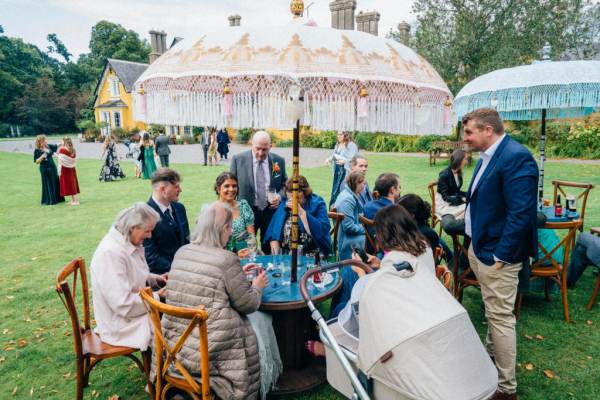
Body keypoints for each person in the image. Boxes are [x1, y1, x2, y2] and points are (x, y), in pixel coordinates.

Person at [161, 202, 281, 400]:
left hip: (178, 345)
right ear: (224, 228)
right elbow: (248, 304)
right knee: (262, 318)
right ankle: (268, 378)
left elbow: (203, 280)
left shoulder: (182, 251)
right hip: (212, 348)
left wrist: (236, 274)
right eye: (230, 227)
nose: (231, 232)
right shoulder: (226, 259)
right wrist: (258, 286)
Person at [462, 108, 538, 400]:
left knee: (501, 317)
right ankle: (489, 357)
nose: (465, 138)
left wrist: (501, 257)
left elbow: (521, 214)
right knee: (492, 312)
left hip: (497, 256)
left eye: (469, 132)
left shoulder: (516, 157)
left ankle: (507, 389)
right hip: (479, 248)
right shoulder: (489, 156)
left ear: (487, 131)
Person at [90, 202, 167, 350]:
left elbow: (131, 275)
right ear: (132, 228)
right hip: (120, 324)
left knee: (175, 317)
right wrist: (158, 297)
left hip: (131, 314)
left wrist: (155, 279)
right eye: (147, 231)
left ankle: (167, 364)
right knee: (173, 324)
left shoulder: (127, 241)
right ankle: (165, 367)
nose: (150, 236)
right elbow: (122, 304)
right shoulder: (110, 254)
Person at [230, 130, 287, 254]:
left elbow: (285, 184)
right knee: (246, 250)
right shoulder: (238, 160)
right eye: (258, 148)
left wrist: (279, 196)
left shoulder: (278, 161)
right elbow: (231, 187)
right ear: (251, 144)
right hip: (247, 213)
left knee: (270, 249)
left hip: (271, 213)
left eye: (265, 149)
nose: (261, 153)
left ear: (270, 147)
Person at [263, 175, 331, 258]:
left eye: (297, 198)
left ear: (305, 192)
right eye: (290, 197)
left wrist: (301, 211)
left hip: (312, 255)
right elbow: (273, 235)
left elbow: (321, 232)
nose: (292, 200)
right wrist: (276, 258)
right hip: (285, 257)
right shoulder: (284, 204)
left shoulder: (317, 203)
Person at [330, 171, 367, 318]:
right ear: (354, 183)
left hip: (352, 241)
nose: (364, 185)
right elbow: (348, 227)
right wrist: (363, 229)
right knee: (351, 273)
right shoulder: (347, 199)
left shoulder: (351, 195)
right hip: (349, 243)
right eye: (362, 182)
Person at [144, 168, 190, 274]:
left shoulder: (180, 208)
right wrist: (178, 270)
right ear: (163, 189)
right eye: (176, 187)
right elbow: (151, 258)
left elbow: (186, 241)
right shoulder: (146, 214)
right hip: (162, 279)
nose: (180, 190)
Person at [214, 171, 258, 254]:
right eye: (226, 186)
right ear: (218, 189)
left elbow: (251, 236)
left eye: (234, 186)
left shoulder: (243, 205)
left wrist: (250, 252)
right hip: (221, 255)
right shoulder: (212, 210)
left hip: (245, 253)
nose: (231, 189)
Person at [437, 149, 468, 236]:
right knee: (468, 206)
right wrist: (462, 199)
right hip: (443, 202)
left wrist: (469, 194)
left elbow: (456, 191)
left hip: (453, 197)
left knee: (471, 203)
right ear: (459, 160)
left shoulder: (458, 173)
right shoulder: (444, 175)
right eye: (465, 159)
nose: (467, 161)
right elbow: (445, 197)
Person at [326, 132, 358, 207]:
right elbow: (335, 155)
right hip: (338, 172)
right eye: (337, 134)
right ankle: (333, 211)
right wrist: (329, 159)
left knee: (343, 190)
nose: (338, 136)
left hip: (346, 172)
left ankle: (342, 210)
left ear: (346, 134)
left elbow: (354, 160)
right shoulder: (338, 145)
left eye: (341, 134)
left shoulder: (351, 145)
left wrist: (345, 162)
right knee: (335, 191)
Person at [33, 134, 64, 205]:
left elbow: (56, 145)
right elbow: (36, 161)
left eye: (45, 140)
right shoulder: (37, 150)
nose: (45, 141)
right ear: (39, 142)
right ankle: (50, 200)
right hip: (44, 169)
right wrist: (41, 157)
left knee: (55, 181)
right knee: (47, 183)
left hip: (52, 167)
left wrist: (62, 142)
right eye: (44, 140)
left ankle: (58, 199)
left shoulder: (48, 146)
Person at [57, 137, 80, 205]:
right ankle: (73, 200)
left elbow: (60, 160)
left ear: (64, 142)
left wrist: (59, 171)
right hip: (72, 169)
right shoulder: (73, 149)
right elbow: (73, 159)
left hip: (65, 169)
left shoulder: (62, 149)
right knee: (72, 183)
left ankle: (76, 201)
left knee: (70, 184)